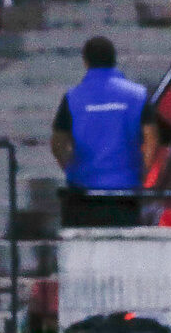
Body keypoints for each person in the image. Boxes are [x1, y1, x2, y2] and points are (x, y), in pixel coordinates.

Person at [53, 35, 148, 227]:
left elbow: (57, 142)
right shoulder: (138, 95)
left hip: (83, 189)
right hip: (126, 188)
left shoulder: (72, 97)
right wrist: (141, 171)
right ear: (114, 58)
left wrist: (70, 168)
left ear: (85, 62)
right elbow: (151, 138)